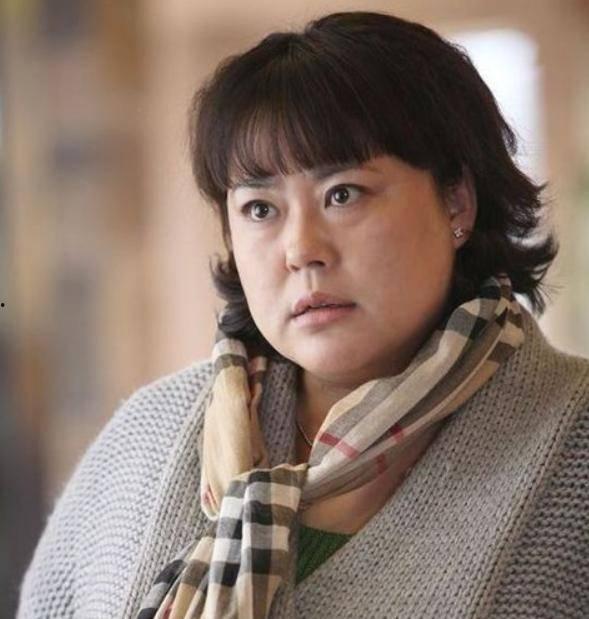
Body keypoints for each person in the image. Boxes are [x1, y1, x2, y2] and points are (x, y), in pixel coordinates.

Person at [16, 10, 589, 619]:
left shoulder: (573, 446)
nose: (300, 249)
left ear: (457, 202)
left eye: (343, 194)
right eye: (260, 209)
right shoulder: (143, 440)